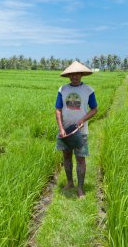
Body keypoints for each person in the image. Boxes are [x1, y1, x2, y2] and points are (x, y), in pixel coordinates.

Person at [55, 61, 98, 198]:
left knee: (80, 159)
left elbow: (95, 109)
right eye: (72, 74)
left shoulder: (88, 90)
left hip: (81, 131)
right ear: (69, 75)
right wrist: (61, 128)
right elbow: (58, 109)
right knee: (66, 157)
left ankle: (80, 188)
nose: (75, 76)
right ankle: (69, 183)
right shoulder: (63, 89)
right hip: (65, 131)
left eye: (77, 73)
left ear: (81, 74)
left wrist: (83, 120)